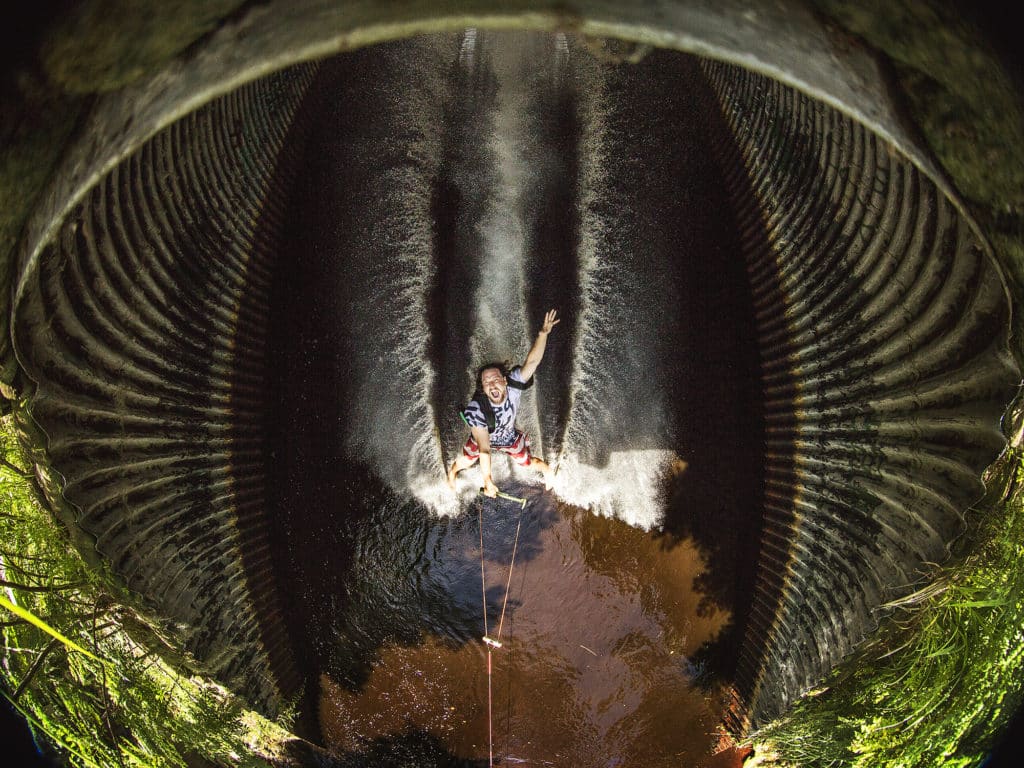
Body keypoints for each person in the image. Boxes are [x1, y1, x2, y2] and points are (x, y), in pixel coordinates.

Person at [447, 309, 560, 496]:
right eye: (486, 382)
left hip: (508, 437)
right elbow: (484, 449)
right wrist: (488, 481)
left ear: (505, 381)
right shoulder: (477, 410)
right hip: (484, 439)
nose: (492, 384)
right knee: (466, 460)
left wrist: (543, 334)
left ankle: (547, 471)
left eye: (495, 379)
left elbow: (532, 362)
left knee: (528, 462)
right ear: (483, 389)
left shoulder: (514, 385)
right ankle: (452, 472)